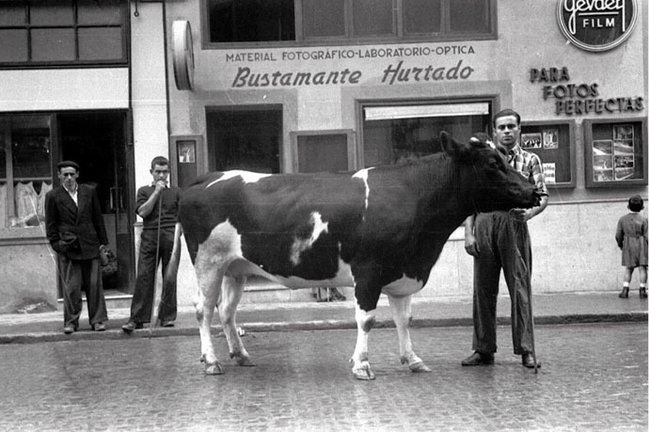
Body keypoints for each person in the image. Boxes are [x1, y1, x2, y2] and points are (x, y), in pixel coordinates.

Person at [461, 109, 549, 369]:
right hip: (485, 222)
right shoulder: (483, 159)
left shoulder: (531, 160)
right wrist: (469, 232)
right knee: (483, 289)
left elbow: (542, 195)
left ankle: (526, 350)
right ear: (495, 131)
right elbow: (470, 199)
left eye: (512, 126)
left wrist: (530, 212)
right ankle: (483, 349)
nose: (507, 131)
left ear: (519, 129)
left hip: (514, 222)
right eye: (502, 127)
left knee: (520, 287)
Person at [45, 161, 109, 334]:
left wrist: (102, 242)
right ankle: (71, 322)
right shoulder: (53, 196)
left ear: (77, 175)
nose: (69, 178)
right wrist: (57, 245)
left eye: (72, 174)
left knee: (95, 286)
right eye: (65, 174)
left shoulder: (88, 192)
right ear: (59, 176)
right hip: (69, 247)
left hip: (91, 244)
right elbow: (51, 225)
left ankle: (97, 320)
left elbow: (97, 217)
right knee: (72, 288)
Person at [122, 156, 181, 333]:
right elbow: (143, 212)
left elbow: (183, 216)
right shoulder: (144, 191)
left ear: (169, 172)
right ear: (151, 172)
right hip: (150, 237)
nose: (161, 175)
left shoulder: (177, 192)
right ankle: (137, 318)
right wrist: (156, 192)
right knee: (144, 277)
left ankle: (167, 317)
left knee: (169, 278)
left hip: (171, 236)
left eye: (164, 172)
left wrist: (177, 234)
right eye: (158, 172)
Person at [616, 195, 648, 299]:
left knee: (628, 268)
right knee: (643, 268)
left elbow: (618, 235)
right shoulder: (644, 219)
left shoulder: (622, 219)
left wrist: (621, 244)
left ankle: (625, 290)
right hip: (642, 244)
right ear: (642, 207)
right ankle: (642, 290)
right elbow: (647, 235)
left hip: (628, 245)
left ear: (627, 206)